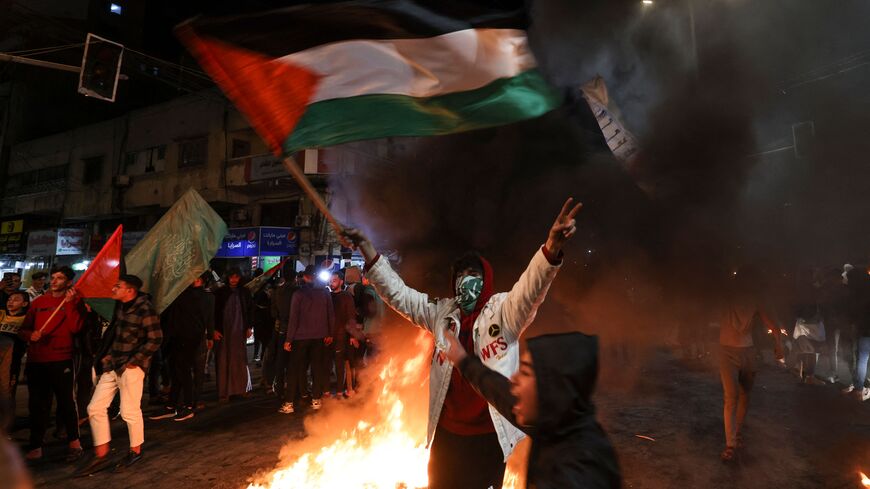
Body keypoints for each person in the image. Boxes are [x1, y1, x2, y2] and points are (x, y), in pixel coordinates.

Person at [342, 197, 582, 489]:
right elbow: (399, 295)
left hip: (489, 438)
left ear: (486, 280)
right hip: (447, 437)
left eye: (474, 276)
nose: (465, 282)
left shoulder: (504, 313)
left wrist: (551, 248)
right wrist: (367, 248)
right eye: (460, 276)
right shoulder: (441, 314)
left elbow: (531, 289)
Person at [443, 331, 621, 489]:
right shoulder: (556, 423)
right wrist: (463, 361)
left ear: (552, 388)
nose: (514, 379)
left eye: (526, 373)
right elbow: (501, 393)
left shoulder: (577, 473)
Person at [76, 274, 162, 476]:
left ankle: (136, 450)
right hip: (114, 364)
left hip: (131, 368)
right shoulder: (121, 307)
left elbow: (156, 338)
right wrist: (108, 355)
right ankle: (102, 451)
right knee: (95, 407)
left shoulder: (145, 309)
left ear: (130, 290)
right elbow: (117, 335)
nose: (113, 289)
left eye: (118, 286)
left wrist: (136, 360)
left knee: (129, 411)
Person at [17, 267, 85, 462]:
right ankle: (36, 444)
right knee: (37, 404)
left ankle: (74, 442)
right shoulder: (39, 302)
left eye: (60, 278)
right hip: (36, 361)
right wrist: (31, 335)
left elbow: (75, 328)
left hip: (61, 359)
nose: (54, 281)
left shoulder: (74, 302)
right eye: (53, 278)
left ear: (69, 282)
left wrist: (71, 305)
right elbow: (23, 330)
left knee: (66, 402)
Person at [718, 267, 785, 462]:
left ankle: (736, 435)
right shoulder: (726, 295)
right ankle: (730, 444)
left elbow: (773, 325)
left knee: (744, 395)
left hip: (747, 352)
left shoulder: (756, 299)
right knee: (731, 397)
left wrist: (778, 345)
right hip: (727, 352)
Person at [151, 273, 214, 421]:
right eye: (193, 277)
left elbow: (210, 318)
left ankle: (188, 406)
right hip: (176, 335)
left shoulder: (206, 297)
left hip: (192, 336)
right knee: (175, 368)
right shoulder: (182, 294)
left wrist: (210, 336)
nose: (194, 280)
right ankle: (172, 405)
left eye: (198, 278)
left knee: (184, 369)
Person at [283, 265, 333, 413]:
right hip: (319, 337)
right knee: (317, 369)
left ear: (305, 277)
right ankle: (316, 400)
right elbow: (331, 315)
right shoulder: (325, 293)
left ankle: (289, 403)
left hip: (300, 337)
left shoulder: (298, 294)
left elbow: (294, 319)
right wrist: (330, 333)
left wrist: (288, 339)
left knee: (294, 369)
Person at [213, 268, 253, 401]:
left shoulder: (244, 292)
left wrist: (248, 327)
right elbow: (215, 312)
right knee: (224, 360)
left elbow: (249, 310)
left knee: (240, 360)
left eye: (236, 277)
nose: (234, 280)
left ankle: (241, 389)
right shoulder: (220, 293)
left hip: (239, 330)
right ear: (228, 278)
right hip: (224, 331)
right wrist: (215, 329)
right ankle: (224, 392)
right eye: (232, 277)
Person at [273, 271, 302, 413]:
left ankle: (279, 389)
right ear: (296, 278)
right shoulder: (298, 292)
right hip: (296, 332)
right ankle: (295, 390)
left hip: (282, 330)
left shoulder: (278, 291)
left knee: (280, 361)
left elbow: (273, 312)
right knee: (294, 362)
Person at [0, 291, 28, 428]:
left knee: (7, 393)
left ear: (25, 304)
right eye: (10, 299)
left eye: (16, 299)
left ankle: (6, 427)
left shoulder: (26, 319)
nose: (11, 302)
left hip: (11, 362)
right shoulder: (1, 314)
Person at [328, 271, 356, 398]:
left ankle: (339, 391)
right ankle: (326, 390)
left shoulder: (346, 296)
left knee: (340, 364)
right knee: (327, 363)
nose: (331, 282)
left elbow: (351, 316)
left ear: (341, 282)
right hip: (328, 335)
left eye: (334, 280)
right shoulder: (327, 295)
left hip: (340, 335)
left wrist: (352, 335)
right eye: (331, 280)